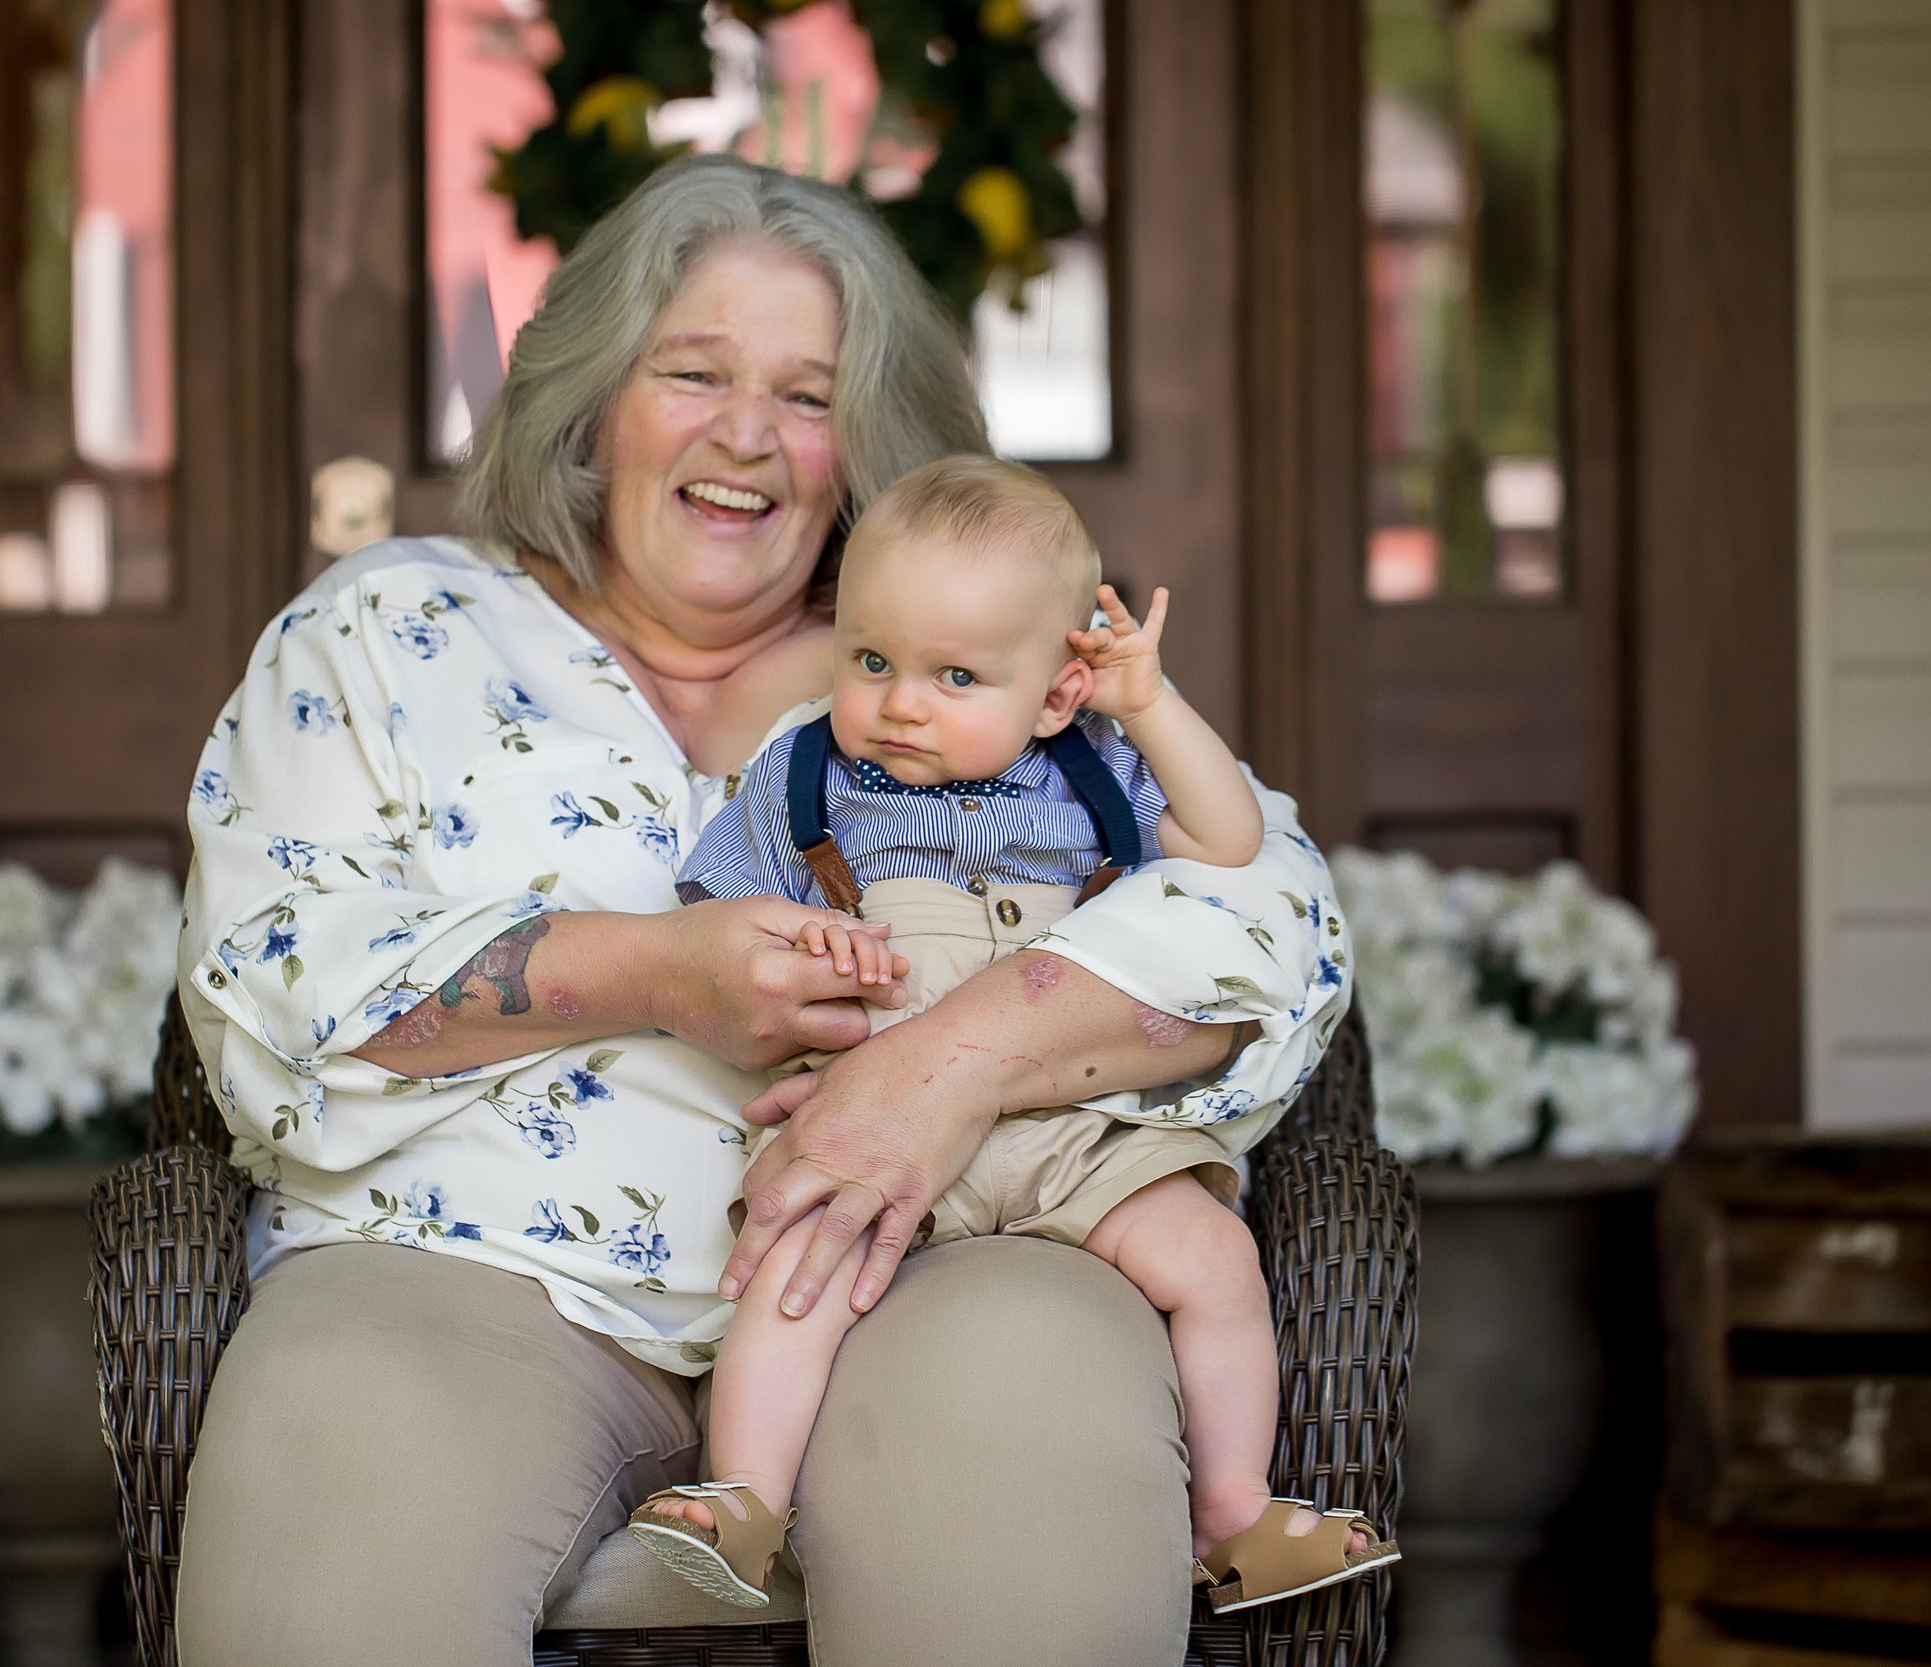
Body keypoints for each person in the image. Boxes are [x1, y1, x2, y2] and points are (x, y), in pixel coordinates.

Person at [171, 153, 1352, 1667]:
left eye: (809, 395)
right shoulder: (390, 629)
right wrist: (659, 971)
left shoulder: (967, 653)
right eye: (694, 371)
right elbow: (270, 978)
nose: (748, 436)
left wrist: (948, 1064)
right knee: (338, 1470)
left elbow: (1271, 918)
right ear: (594, 394)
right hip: (473, 1270)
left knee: (1028, 1413)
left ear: (868, 444)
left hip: (941, 1245)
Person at [625, 455, 1396, 1618]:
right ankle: (744, 1497)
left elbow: (1230, 841)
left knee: (1214, 1261)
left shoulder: (1095, 771)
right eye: (872, 661)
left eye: (955, 675)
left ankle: (1232, 1513)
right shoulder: (805, 780)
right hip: (875, 1125)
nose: (900, 702)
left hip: (1067, 1121)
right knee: (794, 1278)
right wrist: (801, 945)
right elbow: (718, 924)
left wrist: (1149, 703)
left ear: (1053, 696)